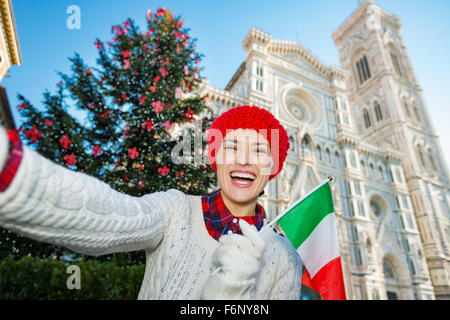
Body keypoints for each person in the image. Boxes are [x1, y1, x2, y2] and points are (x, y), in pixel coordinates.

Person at [0, 105, 302, 299]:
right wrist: (11, 170)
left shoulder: (286, 259)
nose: (245, 159)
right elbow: (111, 216)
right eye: (232, 145)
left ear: (273, 167)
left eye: (260, 150)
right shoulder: (175, 211)